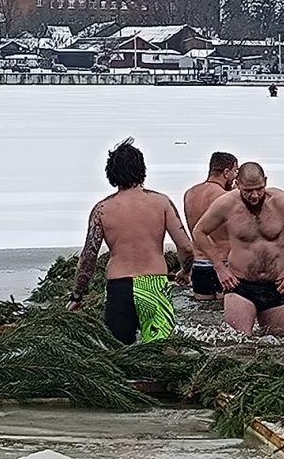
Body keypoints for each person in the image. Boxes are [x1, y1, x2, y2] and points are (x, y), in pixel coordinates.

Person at [68, 139, 194, 346]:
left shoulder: (102, 210)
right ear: (142, 169)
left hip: (119, 287)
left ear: (111, 173)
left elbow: (88, 258)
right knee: (160, 352)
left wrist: (77, 296)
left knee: (121, 356)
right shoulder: (161, 203)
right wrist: (185, 271)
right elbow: (187, 247)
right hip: (154, 286)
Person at [192, 162, 284, 335]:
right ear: (237, 184)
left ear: (266, 182)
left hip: (276, 286)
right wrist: (220, 268)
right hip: (240, 285)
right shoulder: (227, 204)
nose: (254, 195)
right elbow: (199, 231)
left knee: (279, 346)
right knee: (239, 344)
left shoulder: (281, 202)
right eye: (247, 191)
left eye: (259, 189)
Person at [182, 152, 239, 301]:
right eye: (235, 171)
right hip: (224, 265)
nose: (235, 178)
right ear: (226, 172)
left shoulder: (189, 194)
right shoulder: (227, 197)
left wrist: (185, 269)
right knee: (225, 319)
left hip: (199, 265)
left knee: (203, 318)